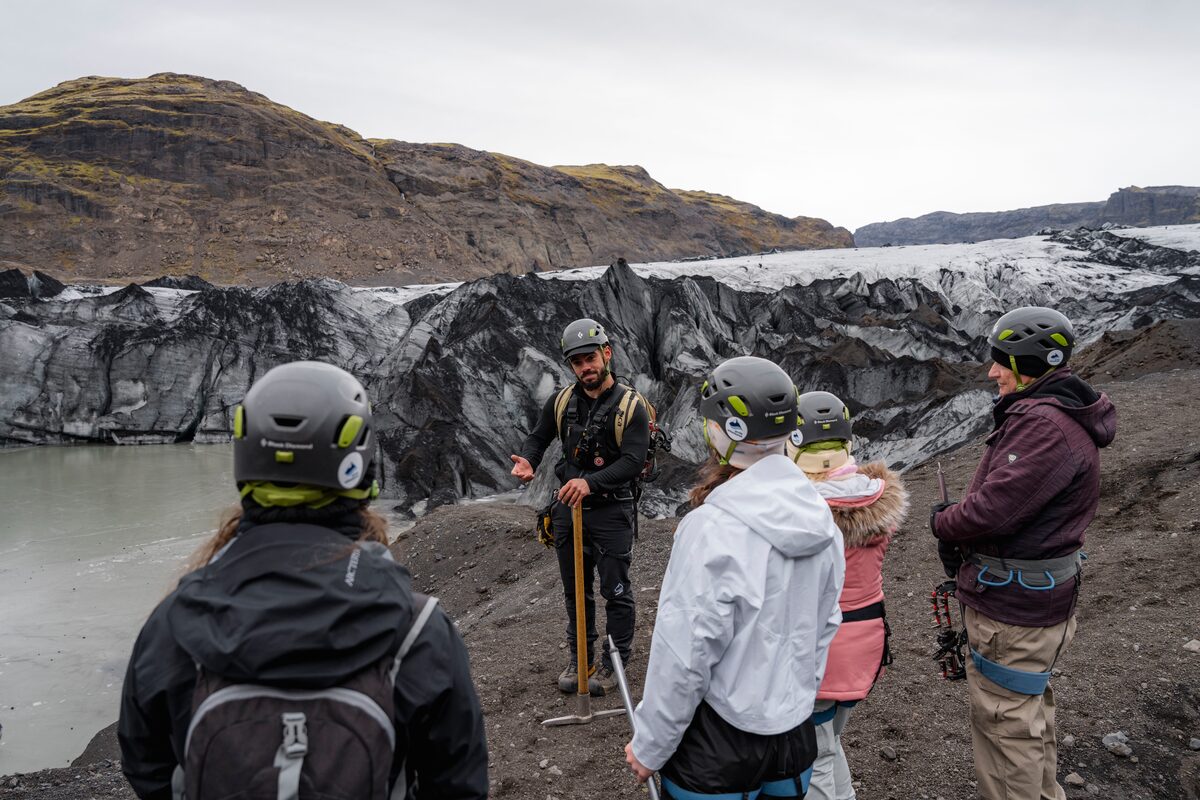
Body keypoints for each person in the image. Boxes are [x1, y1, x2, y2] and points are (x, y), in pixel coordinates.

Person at [118, 361, 488, 800]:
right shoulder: (418, 631)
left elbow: (148, 769)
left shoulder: (175, 624)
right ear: (359, 469)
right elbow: (458, 784)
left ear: (246, 465)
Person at [625, 356, 845, 798]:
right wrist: (793, 699)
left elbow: (684, 653)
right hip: (794, 738)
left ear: (728, 433)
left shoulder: (709, 528)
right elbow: (825, 626)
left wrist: (650, 746)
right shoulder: (821, 520)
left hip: (718, 746)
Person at [931, 306, 1116, 800]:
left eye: (1002, 361)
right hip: (1035, 599)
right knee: (1026, 715)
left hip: (1013, 610)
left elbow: (993, 510)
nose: (992, 371)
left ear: (1031, 364)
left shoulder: (1045, 427)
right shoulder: (1058, 415)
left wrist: (943, 522)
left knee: (1005, 725)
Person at [510, 318, 650, 696]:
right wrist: (528, 461)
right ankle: (581, 659)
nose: (585, 367)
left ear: (607, 354)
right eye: (577, 362)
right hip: (568, 512)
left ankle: (613, 662)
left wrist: (590, 483)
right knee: (575, 590)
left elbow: (633, 461)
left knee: (616, 591)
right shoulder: (562, 402)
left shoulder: (630, 407)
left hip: (611, 511)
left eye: (590, 358)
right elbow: (538, 437)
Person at [786, 391, 908, 800]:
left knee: (813, 755)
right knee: (830, 740)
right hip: (867, 642)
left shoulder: (796, 509)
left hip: (822, 650)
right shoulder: (877, 498)